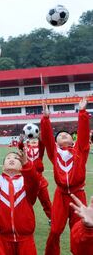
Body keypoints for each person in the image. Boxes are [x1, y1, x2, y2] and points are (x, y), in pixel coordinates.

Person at [42, 98, 90, 255]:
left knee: (79, 229)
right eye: (60, 135)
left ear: (72, 140)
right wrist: (46, 119)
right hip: (60, 196)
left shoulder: (80, 151)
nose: (63, 135)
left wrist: (82, 112)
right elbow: (47, 138)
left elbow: (83, 135)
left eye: (66, 134)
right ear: (56, 142)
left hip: (78, 194)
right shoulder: (54, 153)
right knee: (55, 230)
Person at [0, 151, 39, 255]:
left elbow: (34, 181)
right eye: (8, 158)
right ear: (2, 167)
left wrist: (27, 165)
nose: (11, 159)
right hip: (2, 237)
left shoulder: (26, 181)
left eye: (16, 158)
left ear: (21, 165)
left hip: (26, 239)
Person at [18, 134, 52, 220]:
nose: (33, 141)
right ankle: (22, 219)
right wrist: (21, 142)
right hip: (28, 182)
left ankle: (52, 218)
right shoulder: (25, 150)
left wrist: (40, 140)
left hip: (40, 181)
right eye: (31, 140)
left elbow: (42, 146)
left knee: (46, 202)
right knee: (25, 203)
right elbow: (21, 149)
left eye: (35, 140)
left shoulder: (39, 152)